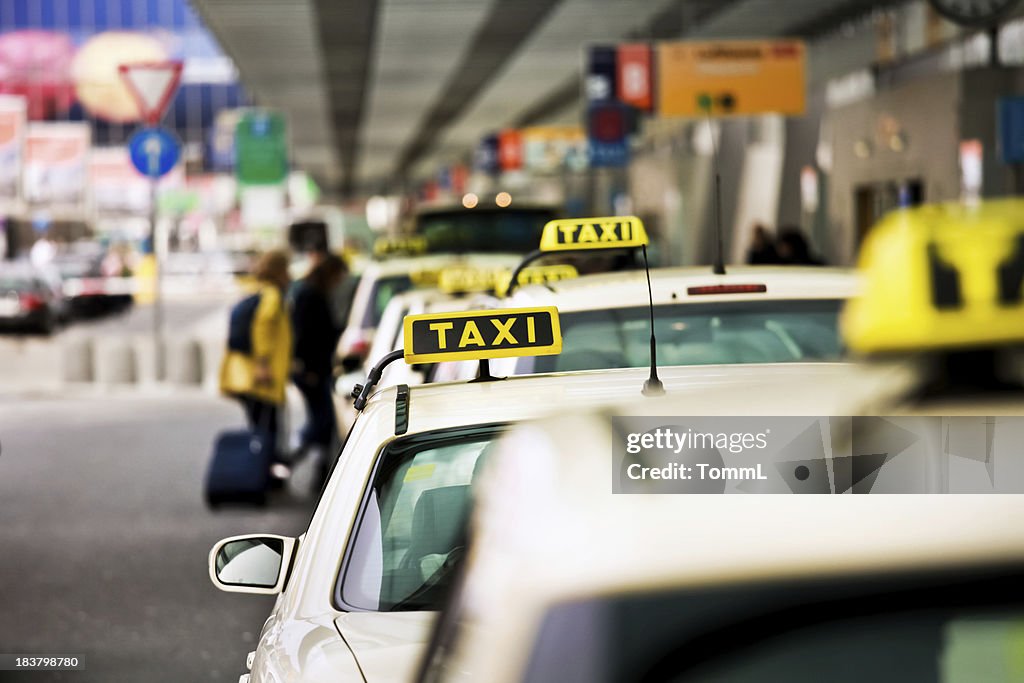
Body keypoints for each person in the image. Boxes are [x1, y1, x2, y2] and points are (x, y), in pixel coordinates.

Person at [219, 249, 293, 485]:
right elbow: (262, 327)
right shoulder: (272, 294)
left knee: (262, 428)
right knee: (267, 430)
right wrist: (263, 364)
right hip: (263, 376)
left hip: (248, 374)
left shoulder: (257, 289)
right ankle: (263, 476)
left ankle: (262, 474)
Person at [289, 253, 348, 492]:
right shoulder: (310, 294)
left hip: (315, 368)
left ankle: (320, 473)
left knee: (323, 422)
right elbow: (306, 335)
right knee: (322, 421)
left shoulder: (311, 292)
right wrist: (309, 368)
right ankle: (289, 457)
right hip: (311, 370)